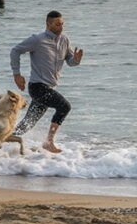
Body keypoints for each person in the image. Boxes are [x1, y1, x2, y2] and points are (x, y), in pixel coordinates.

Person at [10, 10, 83, 153]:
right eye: (57, 24)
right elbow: (15, 51)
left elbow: (70, 61)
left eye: (62, 24)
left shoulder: (64, 40)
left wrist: (76, 60)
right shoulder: (37, 40)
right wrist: (17, 74)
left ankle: (1, 141)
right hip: (37, 87)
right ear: (48, 24)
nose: (61, 27)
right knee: (64, 106)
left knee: (27, 124)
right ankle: (49, 142)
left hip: (49, 87)